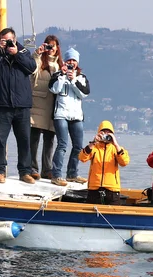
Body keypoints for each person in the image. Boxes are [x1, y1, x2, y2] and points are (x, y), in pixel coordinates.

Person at [0, 27, 37, 184]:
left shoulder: (23, 52)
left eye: (10, 40)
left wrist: (16, 53)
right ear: (0, 40)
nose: (8, 42)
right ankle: (0, 171)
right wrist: (1, 52)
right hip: (2, 105)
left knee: (24, 140)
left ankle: (25, 172)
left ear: (15, 40)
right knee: (0, 140)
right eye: (4, 40)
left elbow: (32, 67)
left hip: (22, 105)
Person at [49, 47, 90, 186]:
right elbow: (53, 89)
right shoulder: (57, 75)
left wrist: (73, 81)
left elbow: (84, 93)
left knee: (78, 146)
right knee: (62, 145)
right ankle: (56, 175)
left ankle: (72, 173)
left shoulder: (82, 77)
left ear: (77, 62)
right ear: (65, 61)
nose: (71, 62)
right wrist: (62, 75)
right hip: (61, 114)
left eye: (74, 60)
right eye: (69, 60)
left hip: (76, 116)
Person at [29, 35, 62, 180]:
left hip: (54, 107)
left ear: (57, 48)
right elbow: (31, 71)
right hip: (38, 104)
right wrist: (37, 54)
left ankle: (47, 169)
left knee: (49, 140)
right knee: (34, 139)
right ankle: (32, 168)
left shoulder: (61, 65)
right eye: (47, 46)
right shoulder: (39, 61)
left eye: (53, 46)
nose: (50, 49)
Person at [78, 120, 129, 205]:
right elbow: (82, 158)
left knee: (113, 217)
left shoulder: (116, 149)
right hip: (94, 189)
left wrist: (116, 144)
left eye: (108, 133)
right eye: (103, 133)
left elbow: (124, 162)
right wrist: (93, 143)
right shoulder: (94, 148)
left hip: (112, 190)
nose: (105, 136)